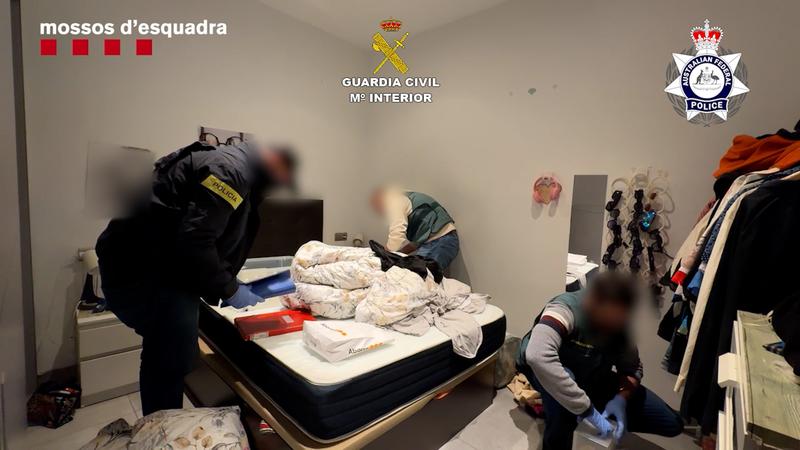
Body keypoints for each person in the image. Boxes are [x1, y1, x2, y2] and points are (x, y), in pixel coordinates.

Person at [96, 139, 296, 415]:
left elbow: (205, 233)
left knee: (166, 352)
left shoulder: (228, 165)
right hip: (144, 273)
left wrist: (224, 282)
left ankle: (162, 426)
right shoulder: (230, 172)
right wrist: (230, 289)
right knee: (171, 356)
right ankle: (164, 431)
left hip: (144, 266)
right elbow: (196, 242)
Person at [516, 272, 683, 450]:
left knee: (671, 423)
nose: (611, 326)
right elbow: (537, 355)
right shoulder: (565, 308)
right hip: (549, 373)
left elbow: (632, 369)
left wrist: (621, 399)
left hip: (592, 376)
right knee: (563, 407)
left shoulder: (619, 324)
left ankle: (578, 406)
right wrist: (585, 409)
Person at [370, 187, 459, 270]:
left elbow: (397, 232)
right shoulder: (404, 198)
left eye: (376, 206)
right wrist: (398, 253)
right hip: (444, 240)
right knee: (419, 276)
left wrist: (386, 254)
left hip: (439, 241)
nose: (378, 211)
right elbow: (417, 241)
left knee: (418, 275)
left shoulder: (394, 202)